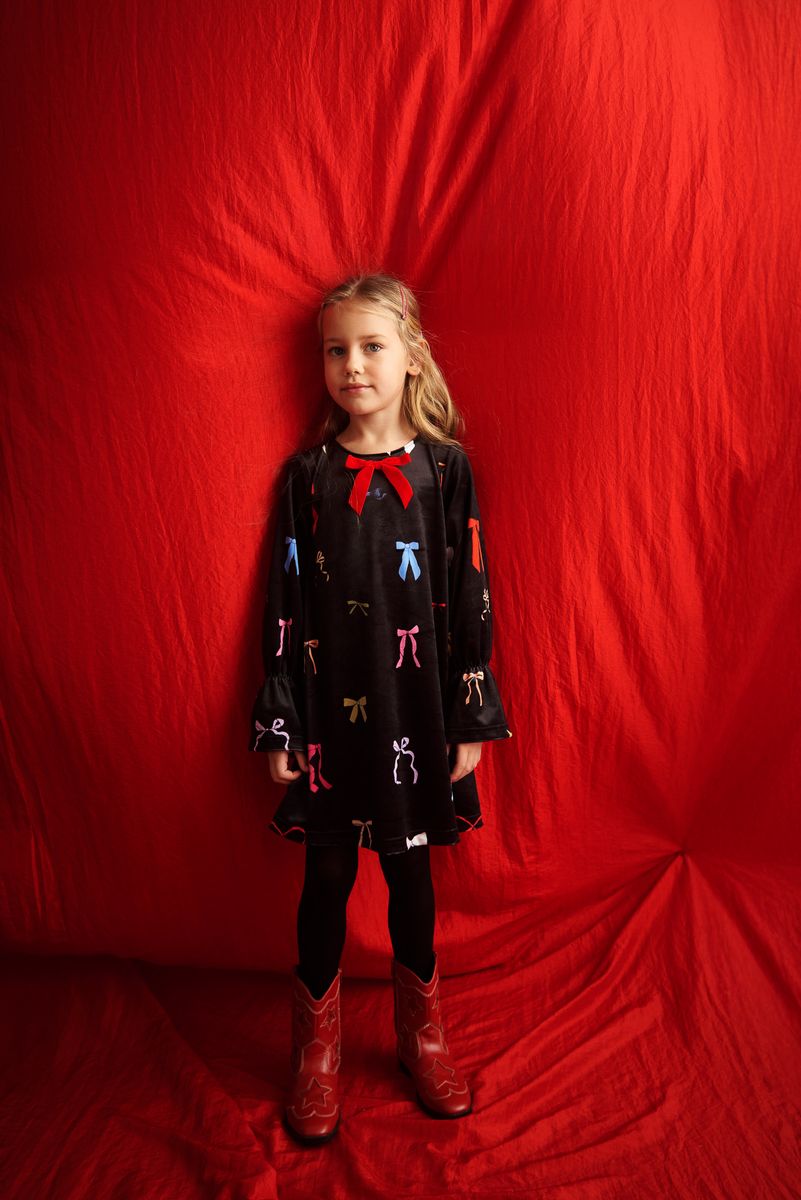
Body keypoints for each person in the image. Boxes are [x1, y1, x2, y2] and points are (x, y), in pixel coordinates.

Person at [248, 271, 513, 1145]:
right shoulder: (307, 477)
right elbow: (284, 598)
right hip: (330, 713)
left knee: (409, 875)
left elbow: (471, 591)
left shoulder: (446, 470)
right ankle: (315, 1054)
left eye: (371, 347)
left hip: (416, 712)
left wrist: (470, 711)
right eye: (336, 350)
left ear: (410, 358)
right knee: (325, 877)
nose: (352, 366)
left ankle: (421, 1038)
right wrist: (282, 716)